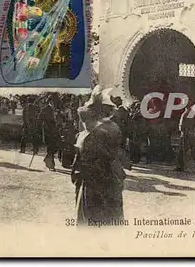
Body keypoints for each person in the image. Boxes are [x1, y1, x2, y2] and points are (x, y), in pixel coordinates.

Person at [71, 86, 130, 227]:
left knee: (94, 218)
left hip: (96, 181)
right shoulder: (112, 127)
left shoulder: (92, 133)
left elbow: (84, 159)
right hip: (111, 177)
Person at [176, 104, 195, 174]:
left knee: (191, 151)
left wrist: (186, 133)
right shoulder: (186, 111)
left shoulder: (191, 112)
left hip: (188, 134)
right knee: (183, 151)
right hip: (186, 134)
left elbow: (192, 125)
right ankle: (181, 166)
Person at [38, 95, 59, 171]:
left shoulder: (57, 110)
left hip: (56, 131)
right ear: (50, 102)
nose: (54, 104)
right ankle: (51, 165)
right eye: (53, 102)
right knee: (51, 148)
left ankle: (47, 159)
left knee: (55, 147)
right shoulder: (45, 109)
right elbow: (39, 119)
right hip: (48, 131)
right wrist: (43, 126)